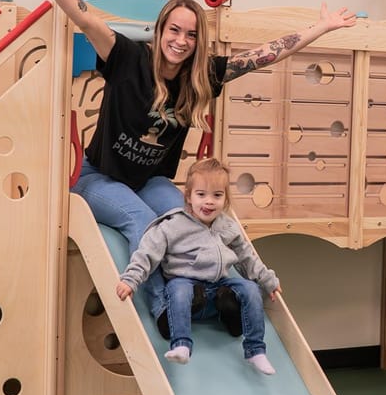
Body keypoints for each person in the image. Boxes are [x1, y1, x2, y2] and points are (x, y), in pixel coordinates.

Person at [1, 0, 355, 334]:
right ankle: (165, 309)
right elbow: (83, 18)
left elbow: (266, 54)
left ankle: (220, 297)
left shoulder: (202, 75)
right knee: (147, 223)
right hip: (98, 177)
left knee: (194, 217)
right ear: (161, 29)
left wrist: (320, 28)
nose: (180, 41)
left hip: (151, 181)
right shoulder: (127, 57)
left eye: (189, 34)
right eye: (174, 30)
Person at [116, 158, 279, 373]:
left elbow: (247, 257)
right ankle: (182, 345)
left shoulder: (227, 226)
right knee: (178, 288)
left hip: (219, 285)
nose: (209, 202)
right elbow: (147, 253)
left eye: (217, 195)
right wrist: (130, 280)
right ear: (189, 197)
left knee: (250, 289)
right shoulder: (174, 225)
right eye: (201, 195)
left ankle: (255, 350)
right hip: (186, 285)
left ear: (226, 199)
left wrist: (268, 280)